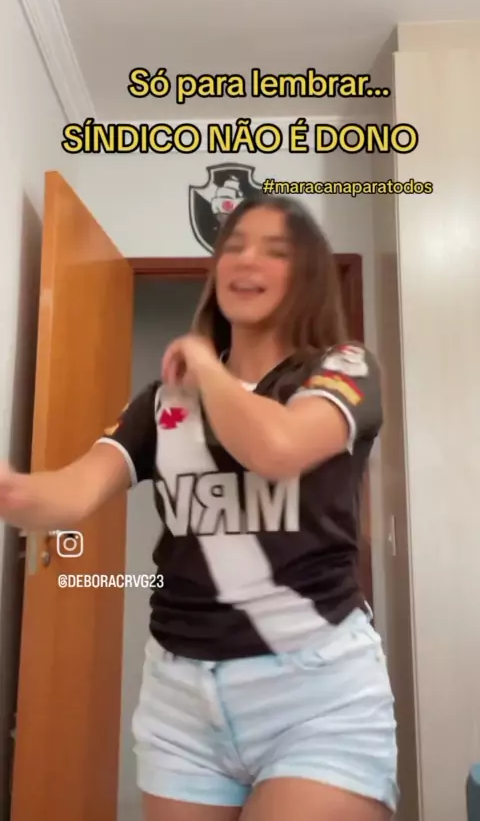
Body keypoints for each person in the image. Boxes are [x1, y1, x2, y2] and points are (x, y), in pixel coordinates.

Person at [0, 196, 398, 821]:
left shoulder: (343, 367)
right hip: (180, 699)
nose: (246, 259)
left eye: (275, 250)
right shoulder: (162, 404)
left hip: (317, 691)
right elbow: (71, 493)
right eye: (233, 246)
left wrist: (207, 365)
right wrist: (11, 491)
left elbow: (277, 447)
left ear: (308, 275)